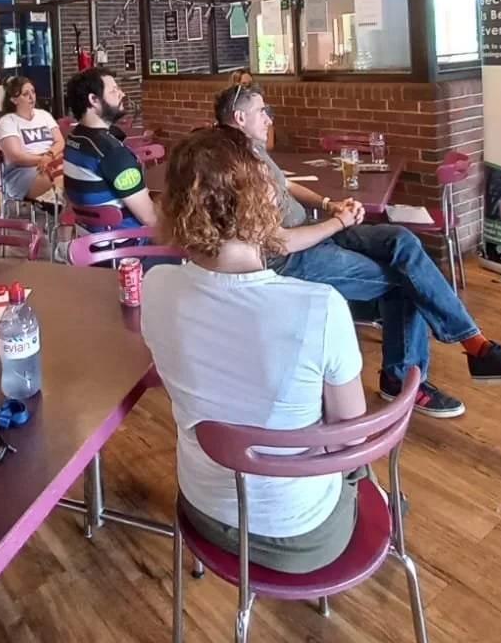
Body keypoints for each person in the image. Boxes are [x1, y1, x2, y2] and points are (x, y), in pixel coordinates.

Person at [218, 81, 501, 418]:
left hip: (312, 233)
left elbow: (286, 183)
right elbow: (278, 242)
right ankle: (426, 369)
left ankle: (476, 345)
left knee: (400, 241)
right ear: (240, 117)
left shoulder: (254, 150)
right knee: (405, 281)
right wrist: (337, 223)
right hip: (293, 257)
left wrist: (329, 202)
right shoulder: (237, 167)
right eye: (263, 111)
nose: (270, 118)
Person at [141, 127, 365, 573]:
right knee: (362, 474)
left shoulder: (154, 287)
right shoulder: (319, 308)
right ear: (263, 199)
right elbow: (352, 437)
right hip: (300, 535)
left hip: (202, 508)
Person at [62, 66, 157, 229]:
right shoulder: (112, 153)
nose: (123, 94)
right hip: (127, 245)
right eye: (114, 90)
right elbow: (150, 218)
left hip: (90, 240)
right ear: (94, 100)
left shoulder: (74, 139)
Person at [0, 75, 63, 203]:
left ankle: (59, 205)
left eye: (33, 92)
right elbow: (16, 156)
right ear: (14, 100)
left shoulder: (44, 115)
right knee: (64, 177)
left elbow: (59, 141)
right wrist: (43, 160)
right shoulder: (7, 122)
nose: (32, 97)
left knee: (75, 172)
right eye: (25, 94)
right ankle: (57, 205)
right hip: (22, 171)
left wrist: (50, 155)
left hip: (51, 160)